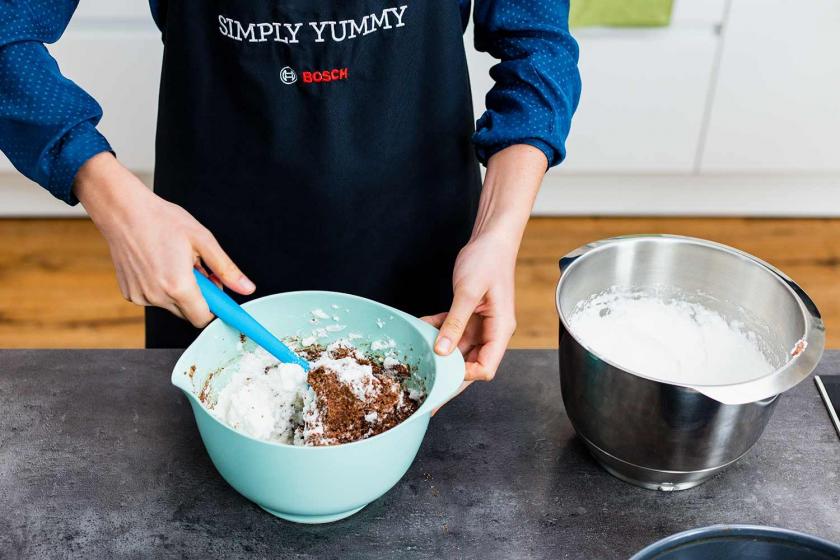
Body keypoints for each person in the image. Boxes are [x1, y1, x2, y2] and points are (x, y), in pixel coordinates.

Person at [0, 1, 580, 384]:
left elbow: (537, 45)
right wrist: (114, 202)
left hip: (428, 257)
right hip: (213, 260)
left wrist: (497, 233)